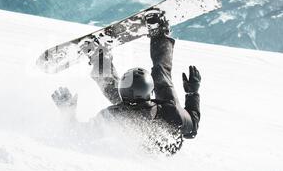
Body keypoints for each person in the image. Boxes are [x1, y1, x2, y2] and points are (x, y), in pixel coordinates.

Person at [51, 9, 201, 154]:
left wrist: (68, 112)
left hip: (153, 142)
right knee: (161, 75)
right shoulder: (169, 110)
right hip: (163, 143)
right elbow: (192, 130)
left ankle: (99, 58)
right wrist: (192, 92)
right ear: (150, 91)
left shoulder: (115, 115)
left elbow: (78, 134)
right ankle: (159, 33)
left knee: (120, 97)